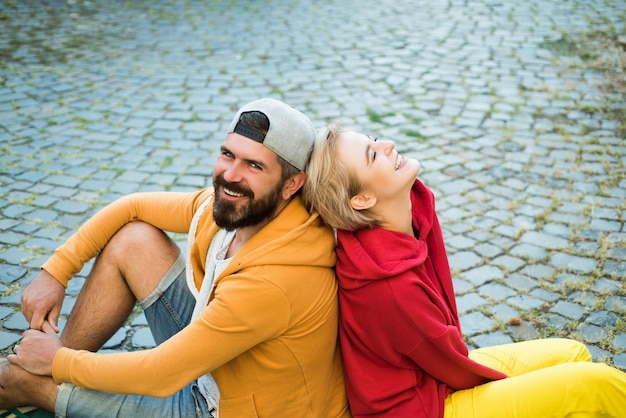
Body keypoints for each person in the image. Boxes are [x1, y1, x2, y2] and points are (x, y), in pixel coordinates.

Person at [0, 99, 351, 418]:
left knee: (20, 383)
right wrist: (55, 273)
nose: (230, 175)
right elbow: (132, 206)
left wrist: (62, 364)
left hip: (224, 408)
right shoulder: (241, 208)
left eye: (254, 165)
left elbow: (161, 373)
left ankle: (36, 379)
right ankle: (38, 364)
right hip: (216, 364)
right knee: (134, 239)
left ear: (292, 185)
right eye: (228, 154)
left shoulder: (275, 280)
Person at [301, 122, 626, 418]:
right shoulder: (389, 287)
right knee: (597, 384)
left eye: (372, 138)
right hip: (420, 408)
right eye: (373, 154)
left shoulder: (407, 217)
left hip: (432, 377)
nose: (387, 143)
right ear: (362, 198)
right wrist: (528, 388)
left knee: (575, 353)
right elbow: (457, 370)